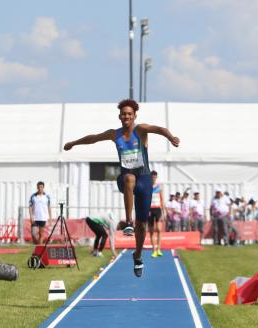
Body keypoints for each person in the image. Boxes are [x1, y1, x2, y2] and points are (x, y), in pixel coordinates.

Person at [63, 98, 180, 277]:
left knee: (143, 225)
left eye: (129, 114)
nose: (126, 116)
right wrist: (73, 143)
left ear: (134, 116)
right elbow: (93, 138)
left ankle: (138, 255)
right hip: (126, 179)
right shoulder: (114, 134)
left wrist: (171, 137)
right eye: (124, 114)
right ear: (120, 116)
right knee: (129, 178)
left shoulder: (140, 130)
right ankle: (128, 222)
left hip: (145, 181)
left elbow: (159, 129)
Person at [147, 171, 165, 257]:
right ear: (150, 177)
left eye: (155, 177)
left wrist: (164, 211)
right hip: (150, 209)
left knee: (159, 229)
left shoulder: (159, 187)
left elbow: (162, 200)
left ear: (156, 177)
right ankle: (154, 250)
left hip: (157, 209)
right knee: (151, 231)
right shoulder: (147, 187)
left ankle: (159, 249)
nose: (153, 178)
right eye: (152, 177)